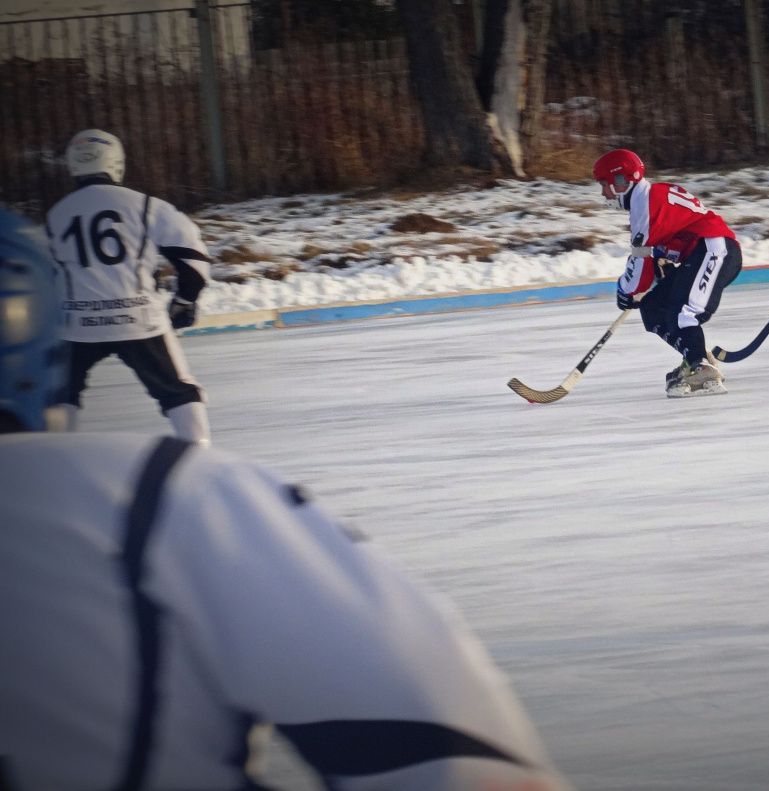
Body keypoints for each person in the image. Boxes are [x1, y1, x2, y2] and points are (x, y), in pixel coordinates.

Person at [0, 209, 572, 789]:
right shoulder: (163, 496)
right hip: (140, 327)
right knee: (180, 393)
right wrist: (187, 297)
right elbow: (450, 748)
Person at [45, 128, 213, 444]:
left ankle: (57, 457)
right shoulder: (147, 206)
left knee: (60, 392)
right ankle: (199, 459)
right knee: (178, 390)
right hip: (137, 320)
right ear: (117, 162)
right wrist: (185, 300)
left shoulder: (57, 214)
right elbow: (194, 259)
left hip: (78, 324)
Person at [594, 148, 743, 397]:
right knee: (653, 307)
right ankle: (695, 356)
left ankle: (701, 367)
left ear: (622, 182)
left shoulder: (645, 204)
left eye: (605, 184)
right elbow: (655, 252)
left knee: (684, 311)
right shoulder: (647, 198)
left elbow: (640, 265)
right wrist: (652, 271)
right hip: (700, 254)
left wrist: (626, 289)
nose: (603, 193)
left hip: (714, 250)